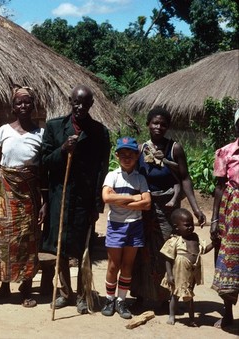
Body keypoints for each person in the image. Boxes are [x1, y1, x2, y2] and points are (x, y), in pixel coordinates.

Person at [41, 84, 110, 313]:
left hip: (84, 199)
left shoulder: (99, 132)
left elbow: (102, 169)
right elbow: (44, 162)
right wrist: (62, 149)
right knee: (59, 246)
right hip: (59, 196)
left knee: (82, 248)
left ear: (91, 105)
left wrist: (97, 204)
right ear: (70, 102)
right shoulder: (54, 127)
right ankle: (64, 292)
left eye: (85, 103)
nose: (80, 107)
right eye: (76, 102)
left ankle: (82, 296)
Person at [131, 106, 206, 308]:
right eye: (155, 123)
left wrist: (196, 208)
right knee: (142, 249)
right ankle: (139, 295)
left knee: (167, 250)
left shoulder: (175, 148)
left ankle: (165, 298)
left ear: (168, 127)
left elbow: (185, 178)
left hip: (168, 207)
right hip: (145, 205)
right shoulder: (140, 149)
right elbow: (134, 178)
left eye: (163, 124)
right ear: (148, 124)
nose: (159, 127)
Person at [0, 85, 47, 308]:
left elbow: (43, 172)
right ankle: (4, 285)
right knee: (4, 239)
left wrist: (44, 202)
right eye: (19, 102)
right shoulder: (4, 130)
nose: (23, 106)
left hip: (29, 195)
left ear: (33, 106)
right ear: (13, 107)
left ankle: (26, 288)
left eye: (27, 102)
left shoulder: (40, 135)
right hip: (5, 193)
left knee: (27, 240)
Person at [101, 137, 151, 319]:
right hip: (115, 225)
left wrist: (122, 200)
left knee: (127, 265)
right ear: (117, 155)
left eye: (131, 154)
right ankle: (109, 299)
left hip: (135, 226)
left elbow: (147, 204)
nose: (127, 157)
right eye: (123, 154)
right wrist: (134, 198)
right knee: (113, 265)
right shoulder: (112, 176)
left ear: (137, 156)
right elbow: (106, 198)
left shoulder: (140, 179)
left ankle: (122, 300)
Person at [210, 109, 239, 329]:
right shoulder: (226, 152)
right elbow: (219, 188)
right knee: (227, 259)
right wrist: (214, 220)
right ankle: (228, 313)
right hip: (231, 214)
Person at [160, 208, 214, 326]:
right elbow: (168, 259)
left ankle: (191, 319)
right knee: (175, 295)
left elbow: (204, 250)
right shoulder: (175, 240)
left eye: (191, 224)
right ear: (177, 227)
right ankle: (172, 315)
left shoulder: (195, 238)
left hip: (192, 272)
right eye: (186, 225)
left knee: (189, 296)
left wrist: (214, 243)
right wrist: (169, 274)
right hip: (179, 272)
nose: (190, 227)